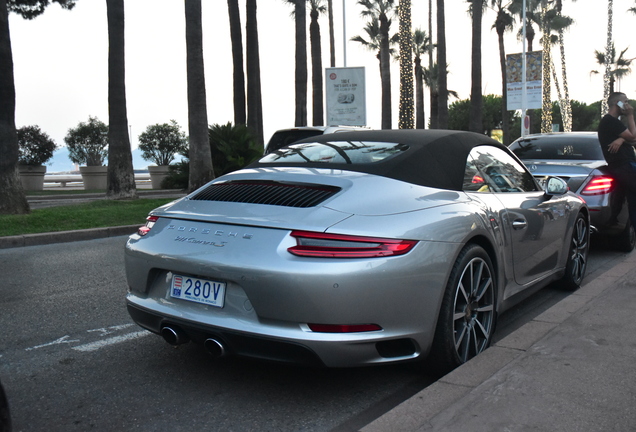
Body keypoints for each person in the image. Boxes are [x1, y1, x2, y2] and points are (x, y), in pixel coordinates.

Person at [597, 92, 636, 229]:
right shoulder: (609, 121)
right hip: (623, 165)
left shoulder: (615, 123)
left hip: (624, 165)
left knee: (632, 201)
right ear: (617, 103)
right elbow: (633, 136)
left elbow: (632, 138)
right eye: (625, 101)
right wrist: (630, 115)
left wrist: (621, 138)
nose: (627, 104)